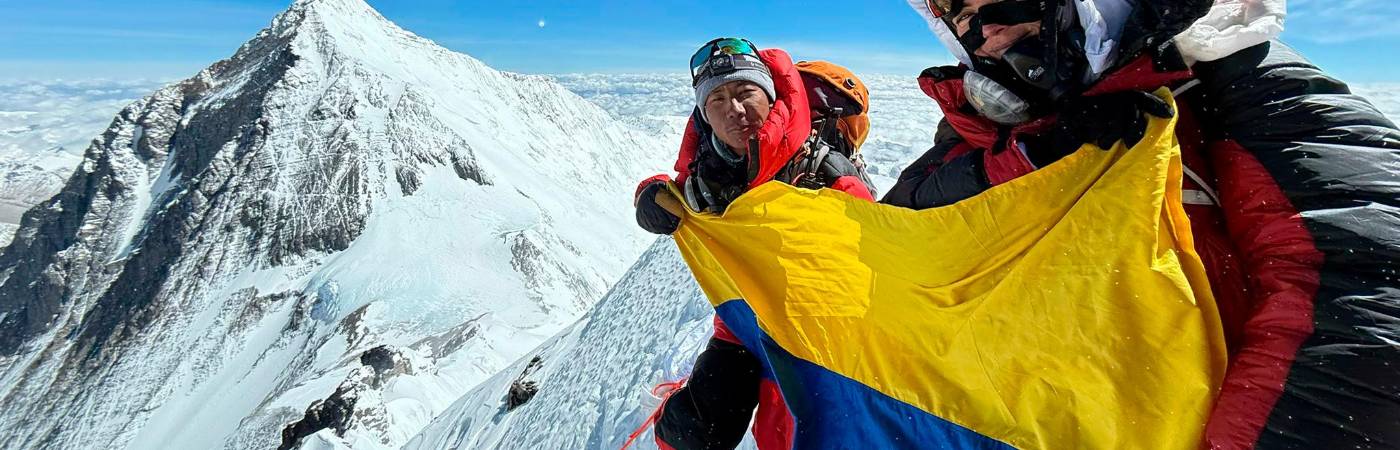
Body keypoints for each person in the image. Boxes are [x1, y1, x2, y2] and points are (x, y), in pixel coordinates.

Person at [891, 0, 1400, 448]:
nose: (988, 31)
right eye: (964, 16)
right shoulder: (983, 126)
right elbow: (901, 233)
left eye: (1005, 3)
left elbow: (1363, 293)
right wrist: (1026, 160)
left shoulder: (1248, 88)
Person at [631, 37, 876, 450]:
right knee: (693, 436)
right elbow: (675, 190)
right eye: (717, 99)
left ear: (771, 96)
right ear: (704, 115)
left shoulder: (830, 177)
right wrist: (648, 195)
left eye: (746, 92)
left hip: (819, 338)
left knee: (797, 434)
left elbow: (874, 269)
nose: (734, 109)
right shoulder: (712, 171)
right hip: (742, 322)